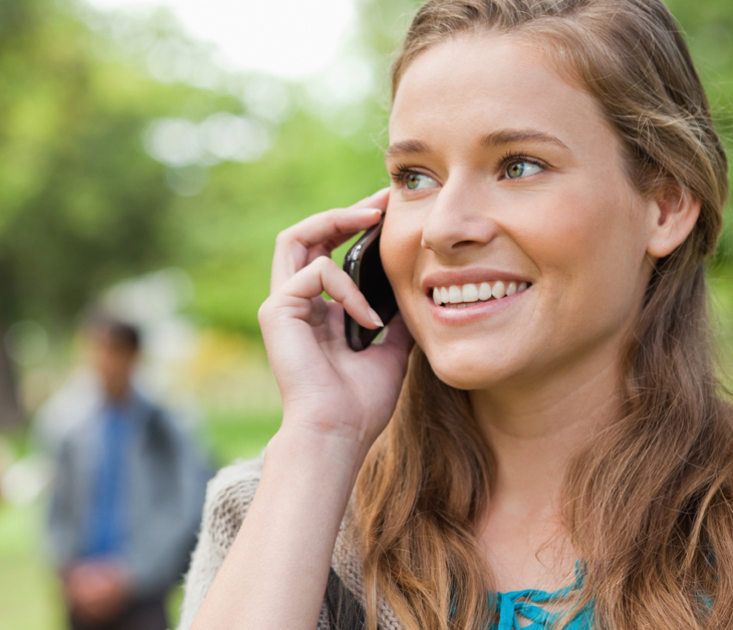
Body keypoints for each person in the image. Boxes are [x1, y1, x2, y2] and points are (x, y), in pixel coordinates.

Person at [178, 0, 731, 628]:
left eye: (518, 166)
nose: (442, 228)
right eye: (415, 177)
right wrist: (320, 439)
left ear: (665, 205)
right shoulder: (280, 513)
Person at [45, 317, 211, 630]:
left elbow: (183, 506)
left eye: (114, 351)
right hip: (81, 586)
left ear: (134, 357)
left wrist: (130, 573)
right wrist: (70, 572)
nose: (104, 362)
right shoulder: (66, 424)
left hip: (142, 587)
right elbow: (57, 506)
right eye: (96, 350)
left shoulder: (165, 424)